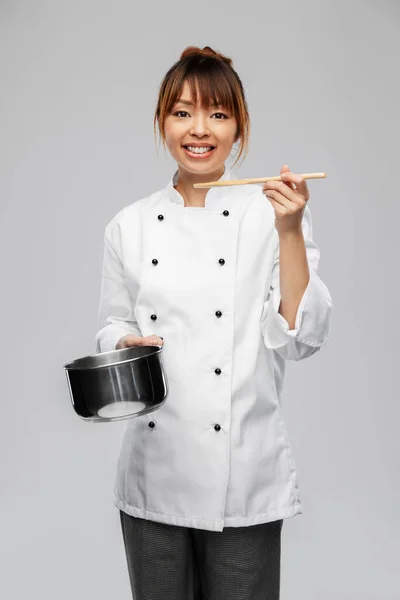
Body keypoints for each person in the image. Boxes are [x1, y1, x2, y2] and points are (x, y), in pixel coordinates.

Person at [95, 45, 333, 600]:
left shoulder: (270, 212)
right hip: (155, 474)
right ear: (162, 122)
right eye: (182, 112)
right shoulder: (128, 226)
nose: (199, 129)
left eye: (218, 114)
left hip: (244, 475)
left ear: (238, 126)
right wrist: (123, 341)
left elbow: (301, 336)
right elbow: (111, 323)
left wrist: (291, 229)